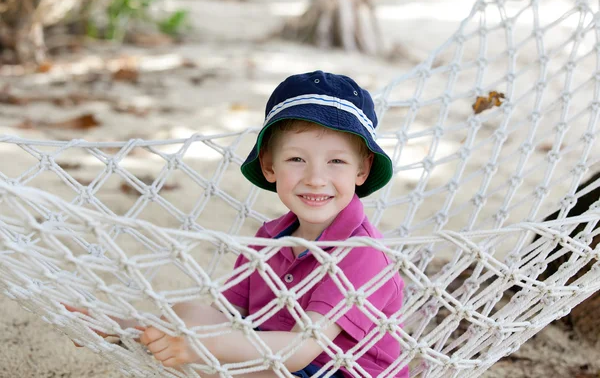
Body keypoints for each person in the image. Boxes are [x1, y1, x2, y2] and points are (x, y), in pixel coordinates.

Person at [66, 71, 407, 378]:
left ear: (361, 171)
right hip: (278, 356)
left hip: (335, 369)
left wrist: (201, 349)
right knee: (190, 315)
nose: (316, 178)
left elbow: (302, 349)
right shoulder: (271, 237)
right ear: (270, 166)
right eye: (296, 159)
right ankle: (118, 328)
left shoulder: (363, 254)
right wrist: (125, 326)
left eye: (336, 161)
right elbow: (226, 315)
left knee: (232, 362)